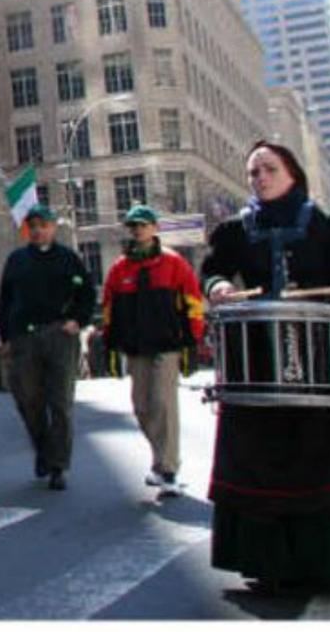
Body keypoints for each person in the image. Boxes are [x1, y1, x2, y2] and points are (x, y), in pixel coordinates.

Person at [201, 141, 330, 591]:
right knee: (257, 455)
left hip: (316, 357)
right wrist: (218, 284)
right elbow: (213, 270)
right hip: (256, 361)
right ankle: (269, 563)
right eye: (253, 172)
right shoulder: (235, 230)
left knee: (317, 453)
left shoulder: (323, 226)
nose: (259, 178)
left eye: (268, 169)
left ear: (293, 173)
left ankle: (321, 562)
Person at [101, 205, 204, 498]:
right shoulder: (120, 268)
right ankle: (159, 462)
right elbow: (109, 309)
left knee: (163, 403)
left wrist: (191, 341)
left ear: (155, 228)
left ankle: (169, 468)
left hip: (168, 345)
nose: (138, 230)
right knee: (142, 407)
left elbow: (193, 302)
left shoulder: (174, 263)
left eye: (143, 225)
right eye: (133, 225)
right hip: (137, 348)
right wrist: (111, 346)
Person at [0, 205, 95, 491]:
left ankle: (58, 466)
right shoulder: (16, 260)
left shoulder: (68, 259)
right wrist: (5, 336)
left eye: (43, 225)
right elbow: (5, 300)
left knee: (61, 402)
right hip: (24, 338)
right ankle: (43, 450)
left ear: (53, 227)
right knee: (29, 400)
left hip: (58, 335)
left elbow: (86, 293)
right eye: (33, 226)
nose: (38, 230)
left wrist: (77, 320)